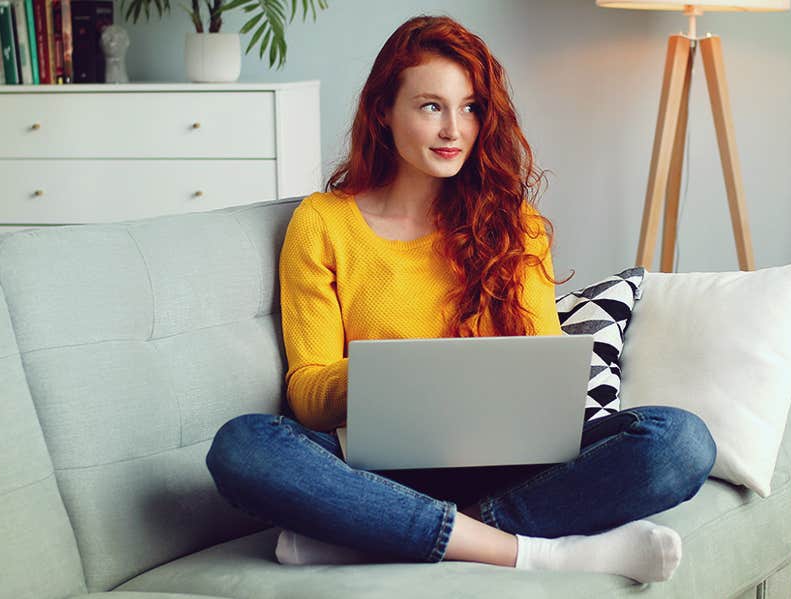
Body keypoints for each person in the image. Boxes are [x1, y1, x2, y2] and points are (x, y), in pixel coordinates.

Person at [206, 15, 716, 583]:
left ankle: (387, 536)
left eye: (470, 108)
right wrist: (394, 374)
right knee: (243, 447)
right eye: (431, 107)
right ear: (384, 112)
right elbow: (307, 397)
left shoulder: (513, 224)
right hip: (374, 470)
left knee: (680, 442)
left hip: (508, 470)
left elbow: (548, 374)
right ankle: (531, 550)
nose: (454, 129)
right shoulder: (323, 223)